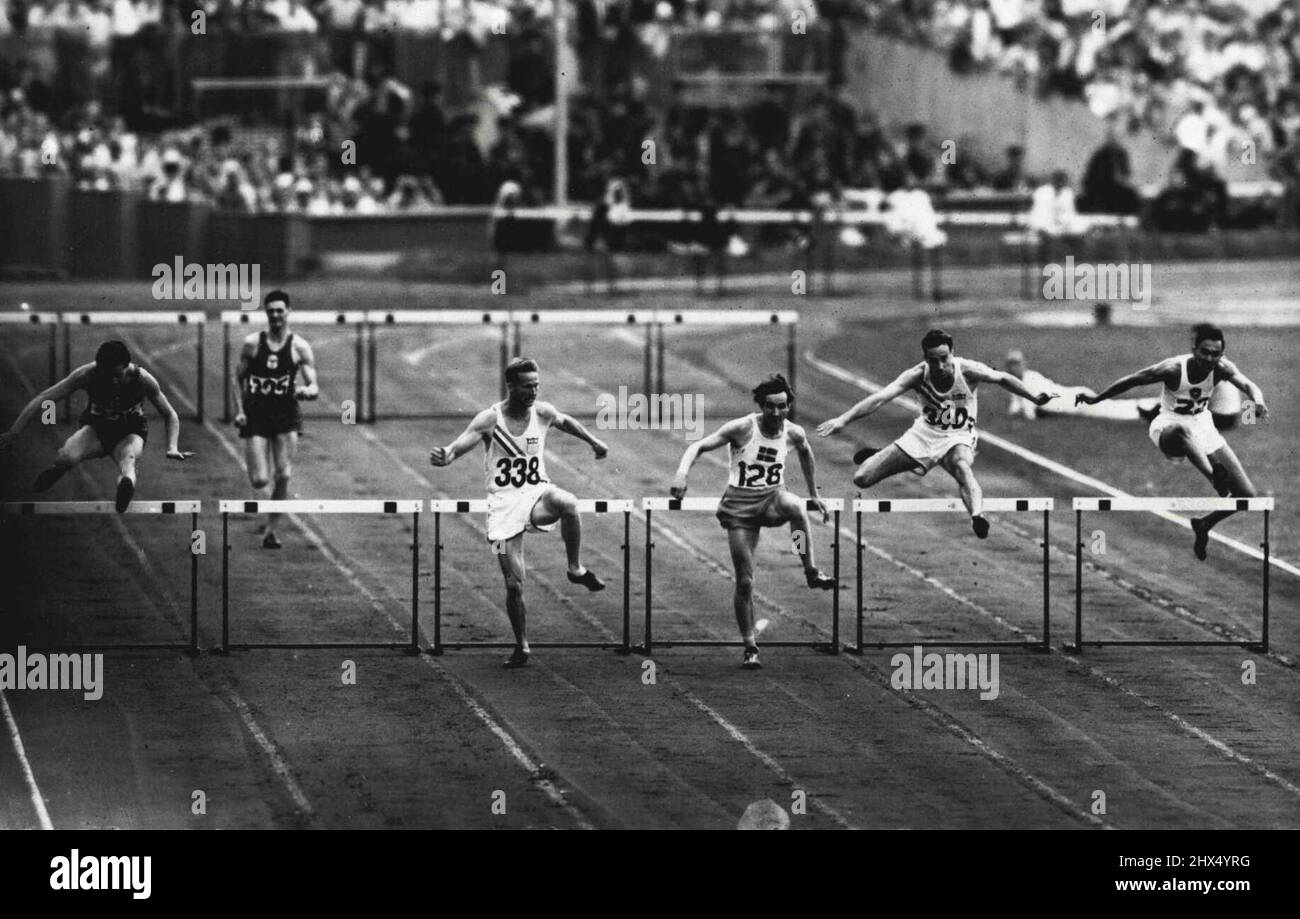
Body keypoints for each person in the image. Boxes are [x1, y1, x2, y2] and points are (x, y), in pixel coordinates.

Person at [429, 357, 609, 668]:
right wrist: (446, 455)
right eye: (527, 387)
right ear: (511, 386)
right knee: (514, 585)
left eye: (537, 385)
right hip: (503, 506)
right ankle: (522, 645)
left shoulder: (542, 412)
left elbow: (565, 422)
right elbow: (461, 444)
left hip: (537, 494)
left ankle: (575, 568)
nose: (534, 392)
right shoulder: (489, 419)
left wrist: (594, 442)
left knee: (567, 502)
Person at [816, 329, 1056, 539]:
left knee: (962, 466)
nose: (940, 366)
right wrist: (843, 419)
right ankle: (885, 455)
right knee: (862, 478)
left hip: (958, 436)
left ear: (952, 353)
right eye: (933, 361)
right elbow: (879, 399)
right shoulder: (916, 375)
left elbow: (1002, 378)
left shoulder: (968, 370)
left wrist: (1033, 397)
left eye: (944, 358)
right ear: (925, 359)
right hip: (924, 434)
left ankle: (977, 516)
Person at [671, 374, 835, 670]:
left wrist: (815, 494)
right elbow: (697, 447)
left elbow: (807, 455)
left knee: (797, 508)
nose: (776, 414)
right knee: (745, 582)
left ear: (789, 406)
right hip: (740, 507)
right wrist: (682, 475)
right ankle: (750, 646)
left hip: (772, 499)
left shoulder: (793, 432)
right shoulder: (742, 428)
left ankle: (810, 569)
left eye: (782, 407)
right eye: (770, 407)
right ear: (761, 406)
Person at [1075, 324, 1268, 560]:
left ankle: (1204, 524)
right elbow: (1133, 380)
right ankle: (1214, 477)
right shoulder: (1173, 368)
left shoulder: (1222, 368)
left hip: (1203, 426)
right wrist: (1097, 398)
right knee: (1182, 429)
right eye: (1204, 352)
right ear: (1194, 349)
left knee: (1246, 495)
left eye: (1215, 354)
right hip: (1168, 426)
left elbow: (1248, 385)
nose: (1209, 358)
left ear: (1221, 354)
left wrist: (1258, 401)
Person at [0, 340, 192, 511]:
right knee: (67, 457)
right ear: (99, 367)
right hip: (96, 427)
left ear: (127, 367)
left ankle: (125, 488)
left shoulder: (143, 379)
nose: (113, 380)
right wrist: (14, 432)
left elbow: (170, 414)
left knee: (128, 462)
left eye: (117, 375)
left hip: (130, 430)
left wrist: (172, 447)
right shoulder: (86, 375)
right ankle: (59, 469)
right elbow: (45, 398)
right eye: (106, 374)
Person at [232, 290, 319, 549]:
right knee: (259, 480)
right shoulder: (252, 344)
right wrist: (239, 410)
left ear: (288, 312)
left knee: (283, 474)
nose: (276, 315)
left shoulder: (299, 347)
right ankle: (272, 509)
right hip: (256, 415)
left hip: (285, 416)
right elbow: (237, 379)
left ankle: (271, 529)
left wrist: (308, 391)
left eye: (280, 310)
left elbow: (314, 384)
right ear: (266, 313)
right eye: (271, 311)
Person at [1003, 349, 1156, 420]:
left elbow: (1029, 412)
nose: (1014, 367)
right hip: (1071, 399)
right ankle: (1149, 406)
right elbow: (1015, 407)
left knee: (1111, 411)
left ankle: (1147, 409)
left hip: (1074, 400)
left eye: (1017, 364)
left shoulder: (1031, 379)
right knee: (1112, 406)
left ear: (1024, 364)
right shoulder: (1016, 383)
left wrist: (1021, 415)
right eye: (1011, 364)